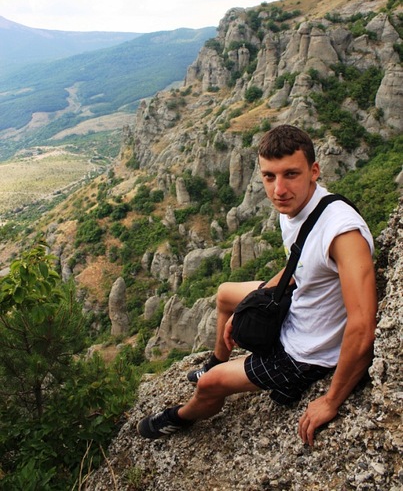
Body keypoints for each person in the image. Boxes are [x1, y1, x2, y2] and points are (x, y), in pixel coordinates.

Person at [137, 125, 377, 446]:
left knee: (210, 386)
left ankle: (180, 416)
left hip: (307, 353)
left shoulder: (342, 234)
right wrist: (249, 304)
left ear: (314, 171)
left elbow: (363, 325)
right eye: (269, 176)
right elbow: (300, 266)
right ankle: (216, 361)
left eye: (291, 174)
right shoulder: (296, 207)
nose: (279, 189)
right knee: (226, 295)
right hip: (299, 306)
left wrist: (331, 400)